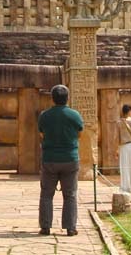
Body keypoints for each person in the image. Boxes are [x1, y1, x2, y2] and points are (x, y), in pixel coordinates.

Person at [38, 84, 84, 237]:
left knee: (46, 194)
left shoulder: (44, 115)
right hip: (70, 158)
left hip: (50, 158)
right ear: (67, 98)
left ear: (52, 98)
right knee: (70, 194)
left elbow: (42, 135)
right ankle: (70, 227)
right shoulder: (75, 115)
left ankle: (45, 227)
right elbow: (80, 134)